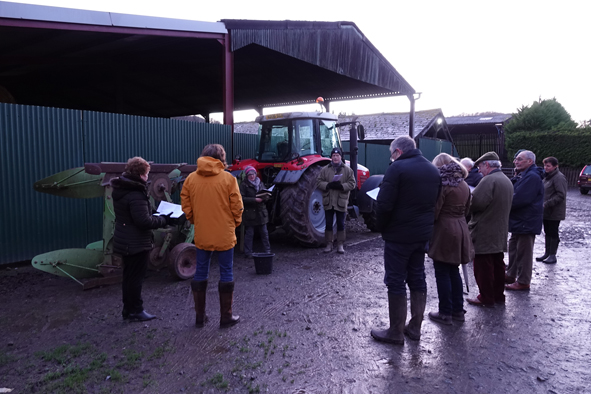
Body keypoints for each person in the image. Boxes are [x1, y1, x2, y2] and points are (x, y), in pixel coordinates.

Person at [370, 136, 441, 345]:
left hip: (399, 237)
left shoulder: (397, 168)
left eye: (391, 153)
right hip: (421, 236)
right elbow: (436, 202)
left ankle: (395, 331)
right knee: (417, 277)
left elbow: (384, 204)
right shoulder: (432, 169)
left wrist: (382, 227)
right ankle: (415, 328)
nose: (391, 157)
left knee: (395, 280)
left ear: (398, 152)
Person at [181, 144, 244, 328]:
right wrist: (235, 223)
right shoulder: (228, 179)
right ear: (221, 158)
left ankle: (200, 317)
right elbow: (237, 205)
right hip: (225, 233)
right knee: (226, 271)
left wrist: (194, 220)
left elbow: (185, 203)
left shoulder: (191, 179)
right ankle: (226, 317)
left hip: (202, 232)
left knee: (201, 270)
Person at [111, 156, 174, 322]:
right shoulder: (135, 193)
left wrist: (153, 212)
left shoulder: (122, 189)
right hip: (135, 243)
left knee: (128, 277)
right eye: (146, 174)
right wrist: (165, 220)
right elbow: (143, 221)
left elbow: (138, 215)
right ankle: (136, 310)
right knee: (136, 278)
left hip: (125, 240)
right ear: (140, 174)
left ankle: (128, 309)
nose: (148, 177)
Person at [427, 153, 474, 325]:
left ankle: (445, 312)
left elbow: (435, 211)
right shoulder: (463, 184)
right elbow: (468, 209)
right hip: (461, 228)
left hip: (445, 230)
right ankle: (457, 310)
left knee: (442, 271)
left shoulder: (443, 184)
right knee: (454, 270)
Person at [465, 152, 514, 307]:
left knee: (483, 267)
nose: (479, 170)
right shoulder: (505, 180)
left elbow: (476, 203)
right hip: (499, 230)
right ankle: (498, 295)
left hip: (484, 230)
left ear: (487, 165)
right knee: (498, 265)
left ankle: (486, 297)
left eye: (480, 167)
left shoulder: (489, 180)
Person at [505, 150, 544, 291]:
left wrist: (502, 203)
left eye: (520, 159)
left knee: (524, 252)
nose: (516, 161)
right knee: (514, 248)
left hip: (526, 221)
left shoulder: (532, 177)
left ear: (530, 161)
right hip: (519, 220)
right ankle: (511, 274)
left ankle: (523, 281)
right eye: (515, 159)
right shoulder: (523, 175)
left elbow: (520, 199)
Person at [316, 147, 356, 254]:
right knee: (328, 223)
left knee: (341, 223)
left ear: (341, 157)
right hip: (328, 201)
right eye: (333, 156)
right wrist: (328, 185)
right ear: (331, 157)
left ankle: (340, 244)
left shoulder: (348, 170)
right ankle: (329, 244)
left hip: (341, 201)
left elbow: (352, 183)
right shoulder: (325, 170)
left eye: (337, 156)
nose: (335, 158)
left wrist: (342, 186)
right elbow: (319, 182)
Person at [536, 157, 567, 264]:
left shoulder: (559, 178)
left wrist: (547, 204)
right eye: (545, 165)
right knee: (547, 231)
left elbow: (561, 195)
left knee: (553, 232)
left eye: (548, 166)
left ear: (555, 166)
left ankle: (552, 255)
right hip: (546, 211)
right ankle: (547, 253)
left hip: (554, 211)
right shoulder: (547, 177)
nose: (546, 168)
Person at [239, 165, 271, 258]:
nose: (252, 176)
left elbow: (266, 194)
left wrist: (266, 196)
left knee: (264, 233)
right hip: (250, 213)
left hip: (261, 212)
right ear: (247, 175)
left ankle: (267, 251)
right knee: (249, 234)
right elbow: (241, 198)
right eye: (250, 174)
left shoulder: (260, 183)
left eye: (253, 174)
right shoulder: (244, 185)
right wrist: (254, 199)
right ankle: (248, 252)